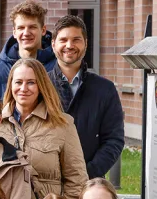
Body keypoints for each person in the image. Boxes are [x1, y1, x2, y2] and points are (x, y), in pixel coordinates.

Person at [0, 58, 88, 199]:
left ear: (41, 86)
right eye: (18, 82)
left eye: (31, 82)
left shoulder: (62, 125)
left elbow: (77, 180)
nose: (24, 88)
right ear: (10, 85)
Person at [48, 15, 125, 180]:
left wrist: (86, 173)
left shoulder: (104, 89)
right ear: (53, 44)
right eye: (63, 40)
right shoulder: (40, 86)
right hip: (47, 185)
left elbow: (113, 140)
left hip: (90, 184)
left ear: (86, 43)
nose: (69, 45)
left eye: (76, 39)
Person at [0, 0, 56, 98]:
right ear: (14, 32)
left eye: (32, 27)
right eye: (21, 28)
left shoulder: (57, 66)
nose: (26, 33)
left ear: (43, 30)